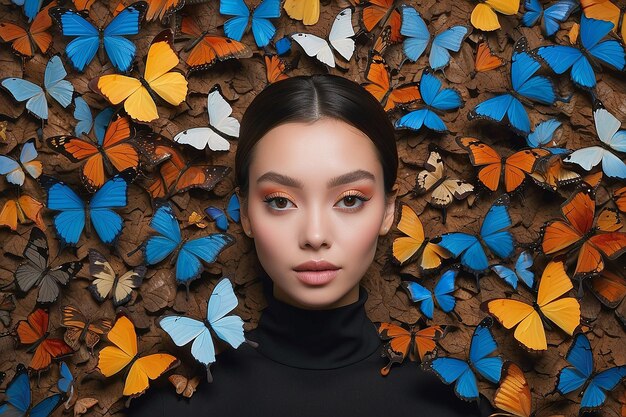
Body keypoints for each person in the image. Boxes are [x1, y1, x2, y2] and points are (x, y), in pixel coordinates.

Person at [128, 75, 492, 416]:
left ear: (388, 211)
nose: (315, 235)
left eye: (350, 199)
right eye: (280, 200)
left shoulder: (449, 403)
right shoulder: (173, 405)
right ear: (246, 214)